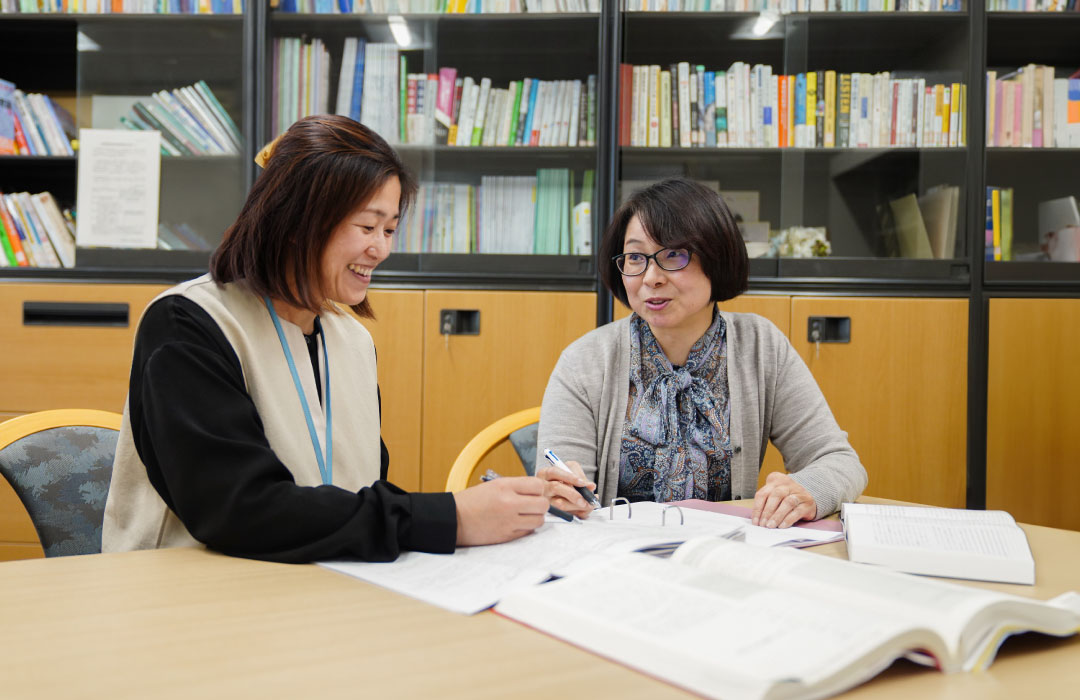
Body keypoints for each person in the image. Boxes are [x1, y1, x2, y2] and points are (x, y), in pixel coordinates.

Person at [102, 115, 548, 563]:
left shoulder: (351, 340)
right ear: (298, 220)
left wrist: (515, 506)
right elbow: (238, 509)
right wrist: (448, 517)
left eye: (390, 229)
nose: (382, 250)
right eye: (367, 226)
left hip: (321, 591)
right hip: (189, 600)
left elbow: (361, 493)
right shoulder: (189, 323)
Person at [536, 178, 866, 528]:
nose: (651, 277)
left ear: (716, 257)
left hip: (724, 560)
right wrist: (561, 495)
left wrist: (807, 490)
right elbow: (561, 492)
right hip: (617, 565)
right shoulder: (585, 361)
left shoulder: (760, 346)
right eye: (635, 257)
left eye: (674, 254)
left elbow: (839, 461)